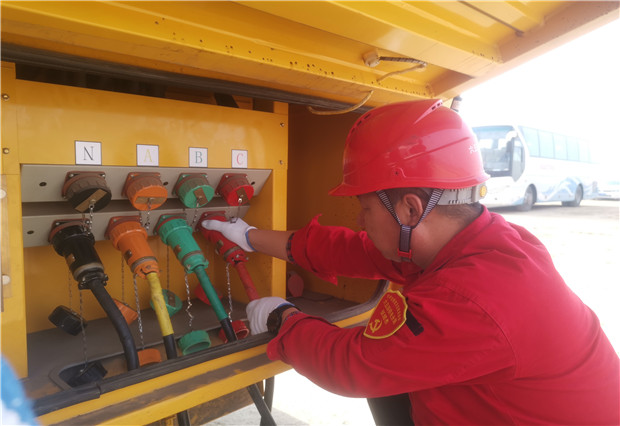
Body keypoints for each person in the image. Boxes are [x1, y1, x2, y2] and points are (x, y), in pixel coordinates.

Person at [201, 99, 619, 425]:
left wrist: (283, 320)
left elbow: (354, 366)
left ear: (410, 208)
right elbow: (352, 249)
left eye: (365, 208)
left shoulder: (474, 297)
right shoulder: (475, 241)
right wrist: (249, 236)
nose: (360, 221)